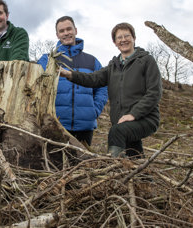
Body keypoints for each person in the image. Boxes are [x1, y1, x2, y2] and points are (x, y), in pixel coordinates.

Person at [60, 22, 162, 158]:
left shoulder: (146, 61)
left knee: (117, 132)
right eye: (119, 37)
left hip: (145, 118)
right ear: (114, 42)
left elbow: (154, 93)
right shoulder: (113, 66)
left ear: (134, 38)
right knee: (134, 154)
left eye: (127, 36)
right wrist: (69, 74)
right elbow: (93, 78)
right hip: (123, 120)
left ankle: (113, 169)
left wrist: (134, 114)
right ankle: (143, 178)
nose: (123, 40)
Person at [37, 16, 108, 146]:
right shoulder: (47, 60)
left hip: (85, 125)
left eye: (69, 29)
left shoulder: (92, 61)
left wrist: (95, 110)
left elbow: (102, 87)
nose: (66, 33)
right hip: (56, 125)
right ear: (57, 35)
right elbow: (36, 86)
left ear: (75, 30)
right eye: (62, 31)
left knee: (82, 164)